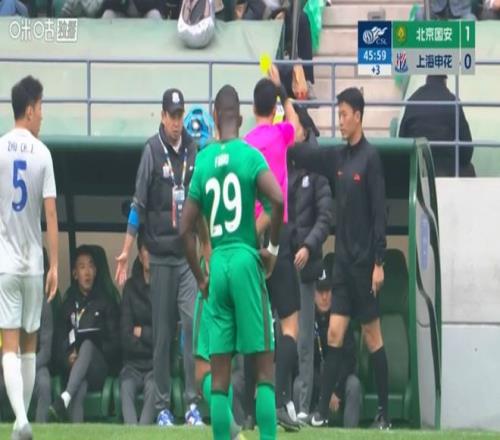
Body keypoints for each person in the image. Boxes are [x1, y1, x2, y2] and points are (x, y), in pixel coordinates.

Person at [180, 84, 284, 440]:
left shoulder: (203, 161)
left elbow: (183, 229)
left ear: (213, 117)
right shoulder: (250, 156)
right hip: (244, 258)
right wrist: (272, 249)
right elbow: (277, 200)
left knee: (219, 377)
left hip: (218, 266)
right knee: (264, 369)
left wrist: (201, 277)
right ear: (239, 119)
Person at [289, 87, 390, 429]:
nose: (340, 120)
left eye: (344, 114)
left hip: (365, 266)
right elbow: (304, 153)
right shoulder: (338, 158)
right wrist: (283, 121)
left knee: (373, 338)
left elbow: (380, 213)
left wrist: (379, 263)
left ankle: (384, 415)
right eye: (339, 114)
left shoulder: (371, 159)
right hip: (343, 266)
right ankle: (319, 412)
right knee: (333, 334)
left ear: (358, 116)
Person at [115, 88, 200, 426]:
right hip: (161, 256)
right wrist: (126, 249)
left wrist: (206, 251)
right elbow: (138, 204)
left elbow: (201, 203)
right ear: (162, 116)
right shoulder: (151, 150)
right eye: (172, 115)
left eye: (180, 115)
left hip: (187, 257)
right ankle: (163, 407)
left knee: (191, 325)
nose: (177, 122)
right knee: (163, 334)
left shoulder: (194, 149)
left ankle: (192, 404)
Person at [0, 75, 59, 440]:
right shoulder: (43, 153)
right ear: (30, 109)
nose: (42, 115)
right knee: (29, 344)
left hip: (5, 263)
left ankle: (21, 420)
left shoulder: (0, 148)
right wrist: (56, 266)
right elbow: (50, 214)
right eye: (40, 107)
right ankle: (21, 422)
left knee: (8, 344)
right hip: (34, 264)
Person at [244, 69, 303, 432]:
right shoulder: (281, 133)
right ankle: (281, 400)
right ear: (272, 107)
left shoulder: (246, 143)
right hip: (278, 234)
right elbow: (296, 124)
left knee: (253, 327)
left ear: (253, 108)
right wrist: (284, 91)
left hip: (250, 238)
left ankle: (250, 410)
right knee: (289, 324)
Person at [288, 104, 333, 424]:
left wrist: (308, 246)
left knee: (304, 339)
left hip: (305, 266)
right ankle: (280, 401)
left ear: (304, 130)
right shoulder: (281, 162)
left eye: (293, 125)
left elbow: (325, 217)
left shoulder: (318, 168)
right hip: (281, 265)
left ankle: (302, 404)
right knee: (280, 337)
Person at [49, 246, 120, 423]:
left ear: (96, 271)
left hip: (98, 368)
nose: (87, 272)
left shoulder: (106, 302)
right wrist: (67, 358)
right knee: (79, 388)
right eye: (82, 267)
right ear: (75, 274)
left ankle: (64, 397)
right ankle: (75, 428)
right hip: (73, 369)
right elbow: (57, 344)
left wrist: (97, 345)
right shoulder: (67, 305)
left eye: (90, 266)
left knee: (88, 344)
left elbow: (116, 345)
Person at [310, 254, 361, 428]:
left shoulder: (341, 317)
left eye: (328, 291)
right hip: (317, 382)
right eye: (320, 292)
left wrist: (335, 391)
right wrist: (325, 392)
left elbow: (349, 360)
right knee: (300, 383)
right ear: (313, 294)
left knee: (354, 385)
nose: (324, 297)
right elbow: (306, 364)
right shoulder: (308, 320)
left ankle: (350, 435)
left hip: (340, 380)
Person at [399, 75, 475, 177]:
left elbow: (402, 143)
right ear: (445, 80)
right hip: (447, 172)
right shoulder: (452, 101)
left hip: (419, 171)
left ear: (427, 78)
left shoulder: (412, 100)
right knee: (469, 169)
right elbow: (467, 151)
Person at [119, 228, 155, 425]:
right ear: (140, 256)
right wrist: (150, 338)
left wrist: (141, 331)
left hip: (155, 366)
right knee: (125, 388)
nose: (150, 255)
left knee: (154, 389)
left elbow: (165, 336)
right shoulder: (130, 288)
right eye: (146, 250)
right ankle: (131, 434)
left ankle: (142, 435)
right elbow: (125, 336)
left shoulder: (163, 287)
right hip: (131, 365)